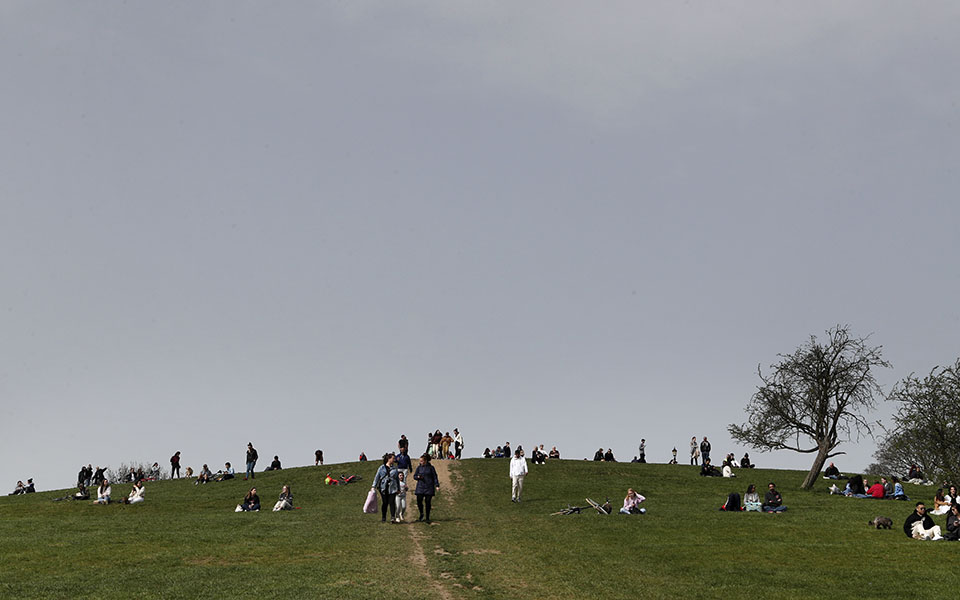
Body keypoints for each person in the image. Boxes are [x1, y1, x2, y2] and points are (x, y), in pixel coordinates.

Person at [372, 453, 399, 523]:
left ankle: (393, 517)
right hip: (383, 488)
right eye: (393, 458)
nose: (394, 460)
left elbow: (397, 479)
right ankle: (383, 517)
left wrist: (398, 488)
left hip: (392, 488)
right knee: (385, 503)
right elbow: (377, 477)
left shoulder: (395, 469)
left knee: (392, 502)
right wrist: (373, 486)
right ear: (389, 459)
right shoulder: (381, 468)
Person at [413, 454, 439, 523]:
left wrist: (437, 485)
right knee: (419, 500)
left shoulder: (431, 468)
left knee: (428, 502)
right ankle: (421, 513)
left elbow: (435, 477)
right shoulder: (419, 468)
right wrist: (418, 477)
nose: (420, 462)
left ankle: (427, 517)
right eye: (420, 461)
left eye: (421, 461)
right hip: (420, 487)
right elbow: (414, 476)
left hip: (429, 487)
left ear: (425, 461)